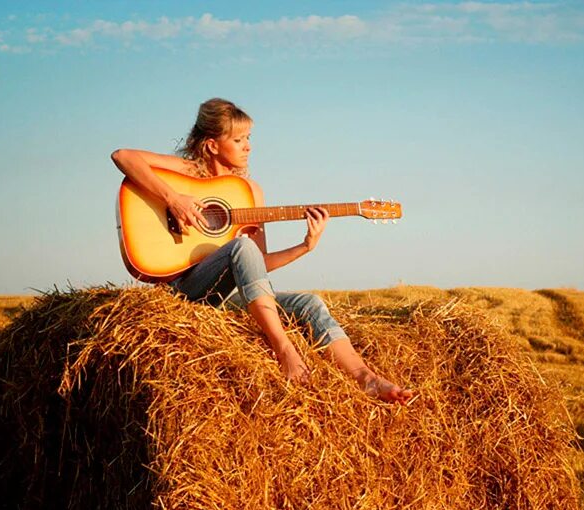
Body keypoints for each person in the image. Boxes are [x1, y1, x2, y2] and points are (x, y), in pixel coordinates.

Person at [112, 98, 412, 403]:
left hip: (229, 298)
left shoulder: (250, 192)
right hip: (188, 289)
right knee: (240, 245)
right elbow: (123, 156)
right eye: (238, 139)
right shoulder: (189, 171)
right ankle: (284, 349)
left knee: (309, 303)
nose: (248, 147)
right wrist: (175, 199)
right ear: (213, 146)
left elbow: (257, 264)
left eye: (249, 139)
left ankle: (367, 379)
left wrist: (305, 246)